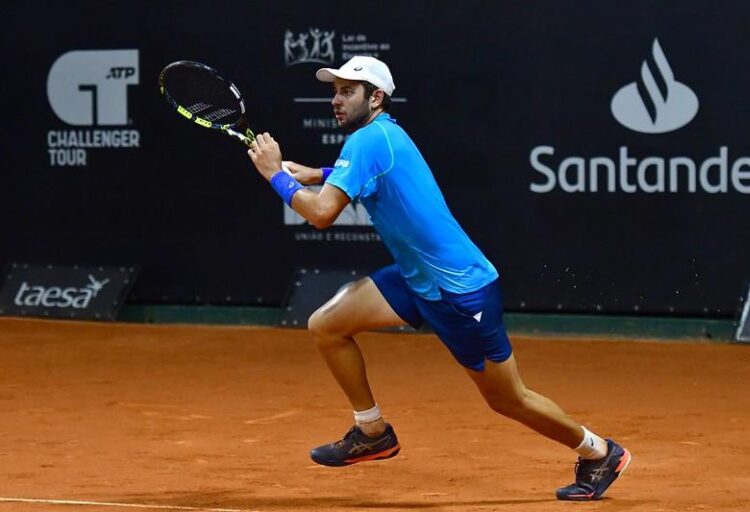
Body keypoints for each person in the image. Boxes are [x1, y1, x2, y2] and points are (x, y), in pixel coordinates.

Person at [247, 55, 631, 501]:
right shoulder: (380, 136)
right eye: (334, 91)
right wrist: (316, 173)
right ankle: (371, 431)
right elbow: (363, 179)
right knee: (327, 324)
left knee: (508, 399)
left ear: (375, 97)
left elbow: (321, 213)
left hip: (460, 292)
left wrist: (276, 175)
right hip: (417, 279)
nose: (336, 99)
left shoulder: (368, 141)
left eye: (347, 91)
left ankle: (599, 451)